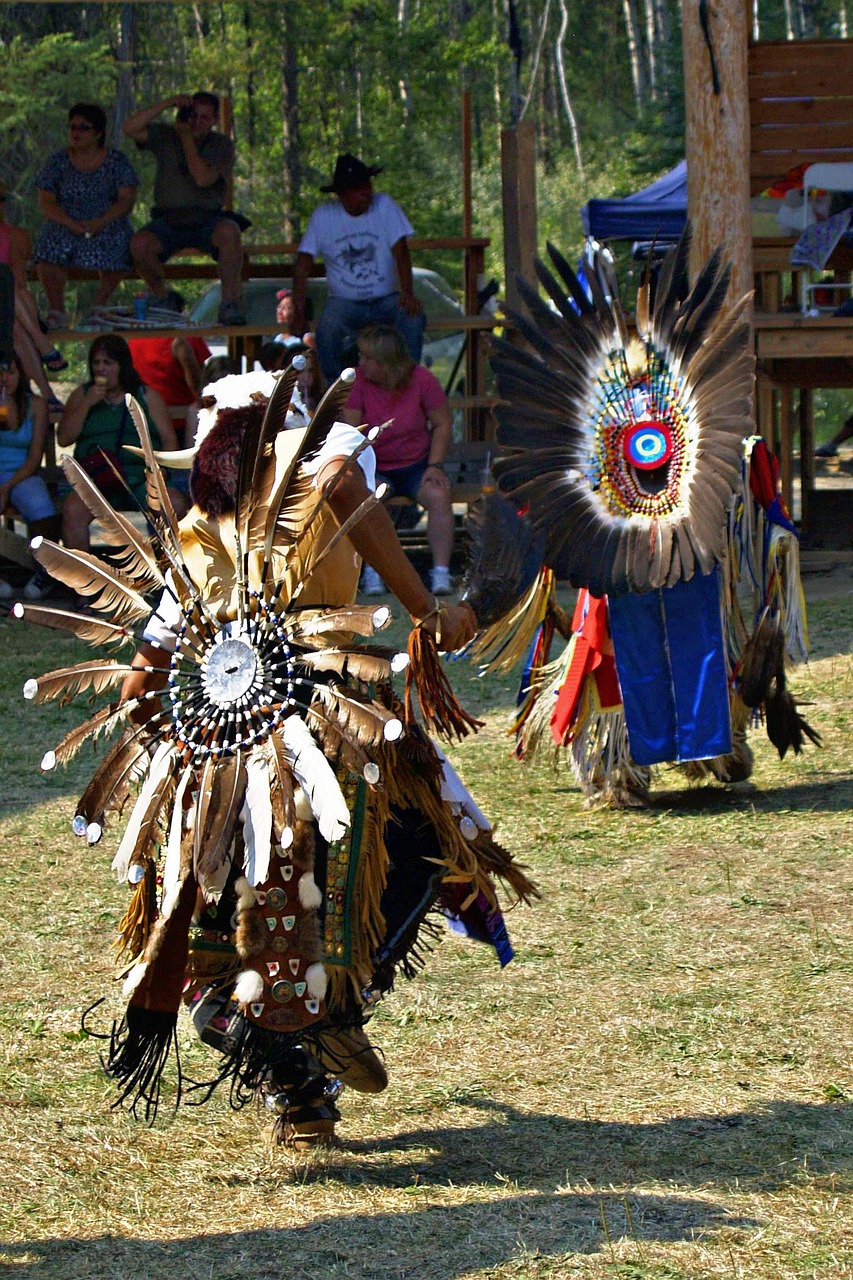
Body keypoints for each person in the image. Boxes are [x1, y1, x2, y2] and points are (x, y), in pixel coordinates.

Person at [21, 369, 536, 1149]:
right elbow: (336, 476)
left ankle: (291, 1070)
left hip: (217, 742)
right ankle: (321, 1029)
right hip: (325, 716)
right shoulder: (305, 458)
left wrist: (163, 748)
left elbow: (144, 669)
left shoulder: (199, 526)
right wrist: (429, 608)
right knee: (421, 847)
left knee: (255, 900)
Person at [342, 324, 454, 597]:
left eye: (368, 358)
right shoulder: (357, 381)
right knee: (368, 500)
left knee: (439, 495)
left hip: (417, 465)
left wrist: (435, 465)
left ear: (385, 363)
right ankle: (372, 571)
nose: (361, 362)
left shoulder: (422, 380)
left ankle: (441, 573)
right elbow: (349, 432)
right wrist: (363, 472)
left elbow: (442, 423)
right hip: (375, 465)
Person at [292, 153, 425, 382]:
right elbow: (303, 264)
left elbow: (401, 253)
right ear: (342, 194)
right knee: (327, 330)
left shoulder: (384, 205)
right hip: (345, 302)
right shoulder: (324, 216)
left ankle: (406, 383)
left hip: (387, 298)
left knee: (412, 318)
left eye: (367, 183)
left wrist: (408, 293)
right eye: (357, 187)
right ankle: (337, 392)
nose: (366, 190)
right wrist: (299, 309)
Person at [122, 92, 247, 324]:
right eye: (193, 115)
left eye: (204, 118)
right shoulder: (166, 136)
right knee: (138, 244)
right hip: (169, 219)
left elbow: (202, 178)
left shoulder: (221, 145)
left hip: (208, 218)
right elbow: (129, 127)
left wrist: (186, 138)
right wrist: (168, 102)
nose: (197, 122)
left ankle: (230, 302)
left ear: (213, 121)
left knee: (230, 232)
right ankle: (164, 297)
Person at [58, 334, 185, 552]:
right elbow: (63, 438)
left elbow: (168, 439)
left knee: (174, 505)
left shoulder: (146, 395)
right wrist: (88, 404)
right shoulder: (83, 395)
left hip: (139, 475)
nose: (101, 369)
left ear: (122, 366)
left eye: (108, 363)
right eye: (96, 363)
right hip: (96, 476)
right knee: (73, 512)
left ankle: (170, 575)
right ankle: (82, 582)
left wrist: (161, 472)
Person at [33, 103, 138, 329]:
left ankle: (98, 308)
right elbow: (45, 200)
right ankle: (56, 310)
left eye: (84, 127)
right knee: (47, 246)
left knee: (121, 241)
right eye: (72, 127)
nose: (76, 132)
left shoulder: (115, 161)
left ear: (98, 132)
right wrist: (70, 223)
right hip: (66, 221)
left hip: (106, 220)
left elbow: (126, 199)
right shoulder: (57, 161)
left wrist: (100, 222)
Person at [0, 179, 65, 412]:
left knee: (14, 315)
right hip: (13, 311)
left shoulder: (15, 235)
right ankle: (43, 349)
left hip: (13, 309)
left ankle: (46, 395)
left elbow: (18, 279)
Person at [0, 354, 61, 600]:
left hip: (22, 472)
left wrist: (6, 488)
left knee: (41, 506)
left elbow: (35, 457)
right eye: (0, 373)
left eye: (11, 372)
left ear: (21, 375)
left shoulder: (35, 405)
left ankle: (45, 571)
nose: (5, 379)